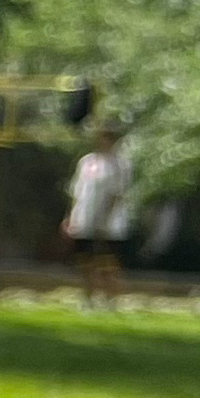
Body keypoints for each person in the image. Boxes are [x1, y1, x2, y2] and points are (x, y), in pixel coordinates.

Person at [64, 120, 137, 302]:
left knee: (108, 262)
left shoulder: (121, 165)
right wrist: (71, 216)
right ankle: (88, 297)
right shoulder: (87, 162)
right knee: (85, 261)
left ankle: (110, 297)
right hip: (85, 220)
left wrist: (104, 220)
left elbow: (117, 193)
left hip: (110, 224)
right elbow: (77, 191)